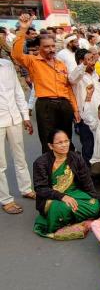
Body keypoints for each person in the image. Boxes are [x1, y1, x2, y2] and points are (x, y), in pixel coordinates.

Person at [12, 14, 80, 153]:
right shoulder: (33, 61)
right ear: (39, 47)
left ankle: (66, 172)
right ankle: (50, 172)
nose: (51, 49)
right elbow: (17, 54)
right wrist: (23, 29)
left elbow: (68, 88)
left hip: (64, 105)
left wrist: (75, 109)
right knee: (48, 142)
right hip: (46, 106)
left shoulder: (61, 64)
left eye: (53, 46)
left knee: (66, 141)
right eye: (47, 47)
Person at [33, 130, 100, 239]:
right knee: (61, 208)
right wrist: (62, 197)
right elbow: (40, 189)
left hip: (74, 193)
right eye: (59, 143)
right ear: (50, 146)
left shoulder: (76, 157)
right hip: (52, 198)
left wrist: (95, 198)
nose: (64, 145)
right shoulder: (41, 163)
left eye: (66, 141)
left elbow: (86, 180)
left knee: (94, 206)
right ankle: (66, 220)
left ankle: (68, 220)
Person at [0, 58, 35, 214]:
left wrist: (25, 117)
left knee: (20, 156)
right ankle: (6, 199)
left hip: (14, 117)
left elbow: (17, 92)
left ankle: (26, 188)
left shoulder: (6, 65)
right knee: (0, 164)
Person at [69, 48, 100, 163]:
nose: (93, 61)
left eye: (93, 58)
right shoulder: (77, 77)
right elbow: (72, 78)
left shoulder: (96, 75)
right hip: (85, 119)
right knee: (88, 148)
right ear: (82, 62)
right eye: (89, 59)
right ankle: (88, 176)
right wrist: (84, 65)